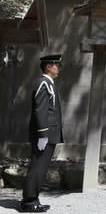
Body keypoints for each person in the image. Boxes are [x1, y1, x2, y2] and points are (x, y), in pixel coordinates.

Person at [21, 54, 64, 213]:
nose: (59, 68)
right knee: (37, 168)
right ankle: (29, 202)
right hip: (43, 135)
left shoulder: (49, 84)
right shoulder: (43, 83)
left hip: (48, 134)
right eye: (57, 65)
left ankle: (34, 198)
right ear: (48, 67)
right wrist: (43, 134)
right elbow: (40, 110)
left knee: (40, 168)